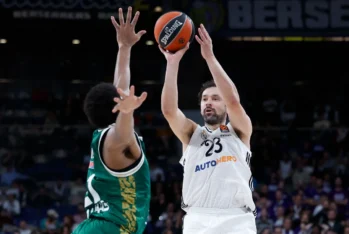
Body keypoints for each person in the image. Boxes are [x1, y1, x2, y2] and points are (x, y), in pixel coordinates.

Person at [159, 24, 257, 233]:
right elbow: (169, 111)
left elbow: (233, 101)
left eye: (214, 98)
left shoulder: (239, 131)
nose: (208, 103)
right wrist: (172, 62)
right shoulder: (191, 134)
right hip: (198, 218)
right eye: (204, 99)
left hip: (237, 218)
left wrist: (210, 58)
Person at [73, 7, 150, 234]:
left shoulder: (104, 136)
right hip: (108, 229)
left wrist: (124, 47)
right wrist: (127, 113)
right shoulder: (114, 140)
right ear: (117, 108)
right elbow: (123, 133)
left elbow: (121, 84)